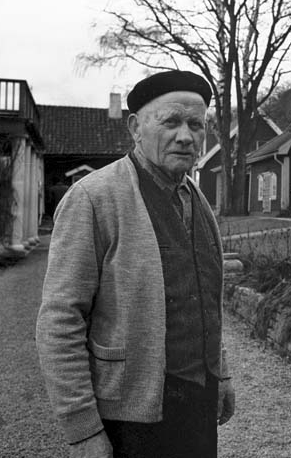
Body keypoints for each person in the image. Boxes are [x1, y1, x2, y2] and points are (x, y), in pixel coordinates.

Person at [36, 70, 235, 458]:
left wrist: (221, 373)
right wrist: (82, 429)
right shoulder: (93, 199)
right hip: (129, 417)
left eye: (196, 124)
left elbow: (207, 300)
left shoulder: (195, 198)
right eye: (171, 121)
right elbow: (60, 319)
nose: (185, 136)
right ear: (135, 128)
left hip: (198, 401)